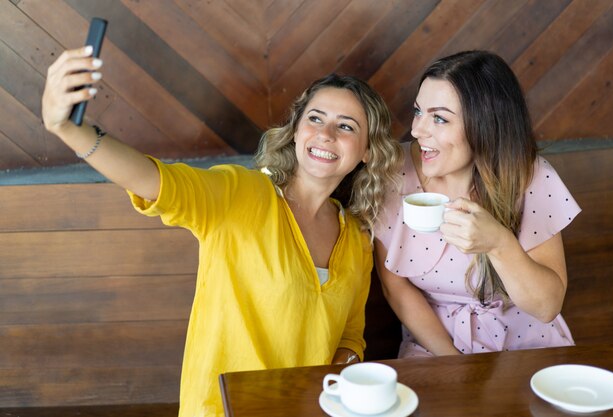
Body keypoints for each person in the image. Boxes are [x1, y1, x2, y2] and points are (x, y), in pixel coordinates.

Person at [42, 46, 402, 416]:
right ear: (296, 131)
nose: (325, 133)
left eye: (346, 126)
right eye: (315, 118)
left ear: (368, 152)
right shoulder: (240, 195)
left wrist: (339, 374)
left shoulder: (357, 238)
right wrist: (70, 129)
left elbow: (350, 336)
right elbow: (155, 181)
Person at [373, 50, 581, 358]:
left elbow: (547, 307)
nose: (417, 131)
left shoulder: (529, 176)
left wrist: (499, 244)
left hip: (526, 341)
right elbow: (397, 288)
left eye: (439, 118)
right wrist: (451, 360)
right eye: (418, 112)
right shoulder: (391, 172)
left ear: (485, 124)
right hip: (433, 343)